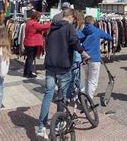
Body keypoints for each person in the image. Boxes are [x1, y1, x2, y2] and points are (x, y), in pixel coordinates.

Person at [37, 9, 90, 138]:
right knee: (62, 95)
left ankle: (41, 126)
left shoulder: (51, 27)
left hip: (50, 65)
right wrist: (84, 54)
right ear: (70, 17)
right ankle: (60, 124)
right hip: (63, 66)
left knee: (48, 94)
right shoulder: (69, 28)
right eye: (73, 19)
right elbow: (75, 43)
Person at [79, 15, 113, 99]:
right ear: (93, 22)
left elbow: (77, 39)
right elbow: (109, 37)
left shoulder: (82, 31)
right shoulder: (97, 31)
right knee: (93, 81)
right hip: (94, 58)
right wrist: (101, 41)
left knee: (87, 79)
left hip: (84, 58)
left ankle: (85, 97)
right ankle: (89, 100)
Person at [23, 11, 51, 78]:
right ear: (36, 17)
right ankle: (29, 73)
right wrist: (51, 23)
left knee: (28, 58)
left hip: (28, 43)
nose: (39, 18)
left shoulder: (29, 22)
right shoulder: (34, 24)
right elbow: (44, 27)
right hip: (31, 44)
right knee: (30, 59)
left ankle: (26, 72)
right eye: (39, 17)